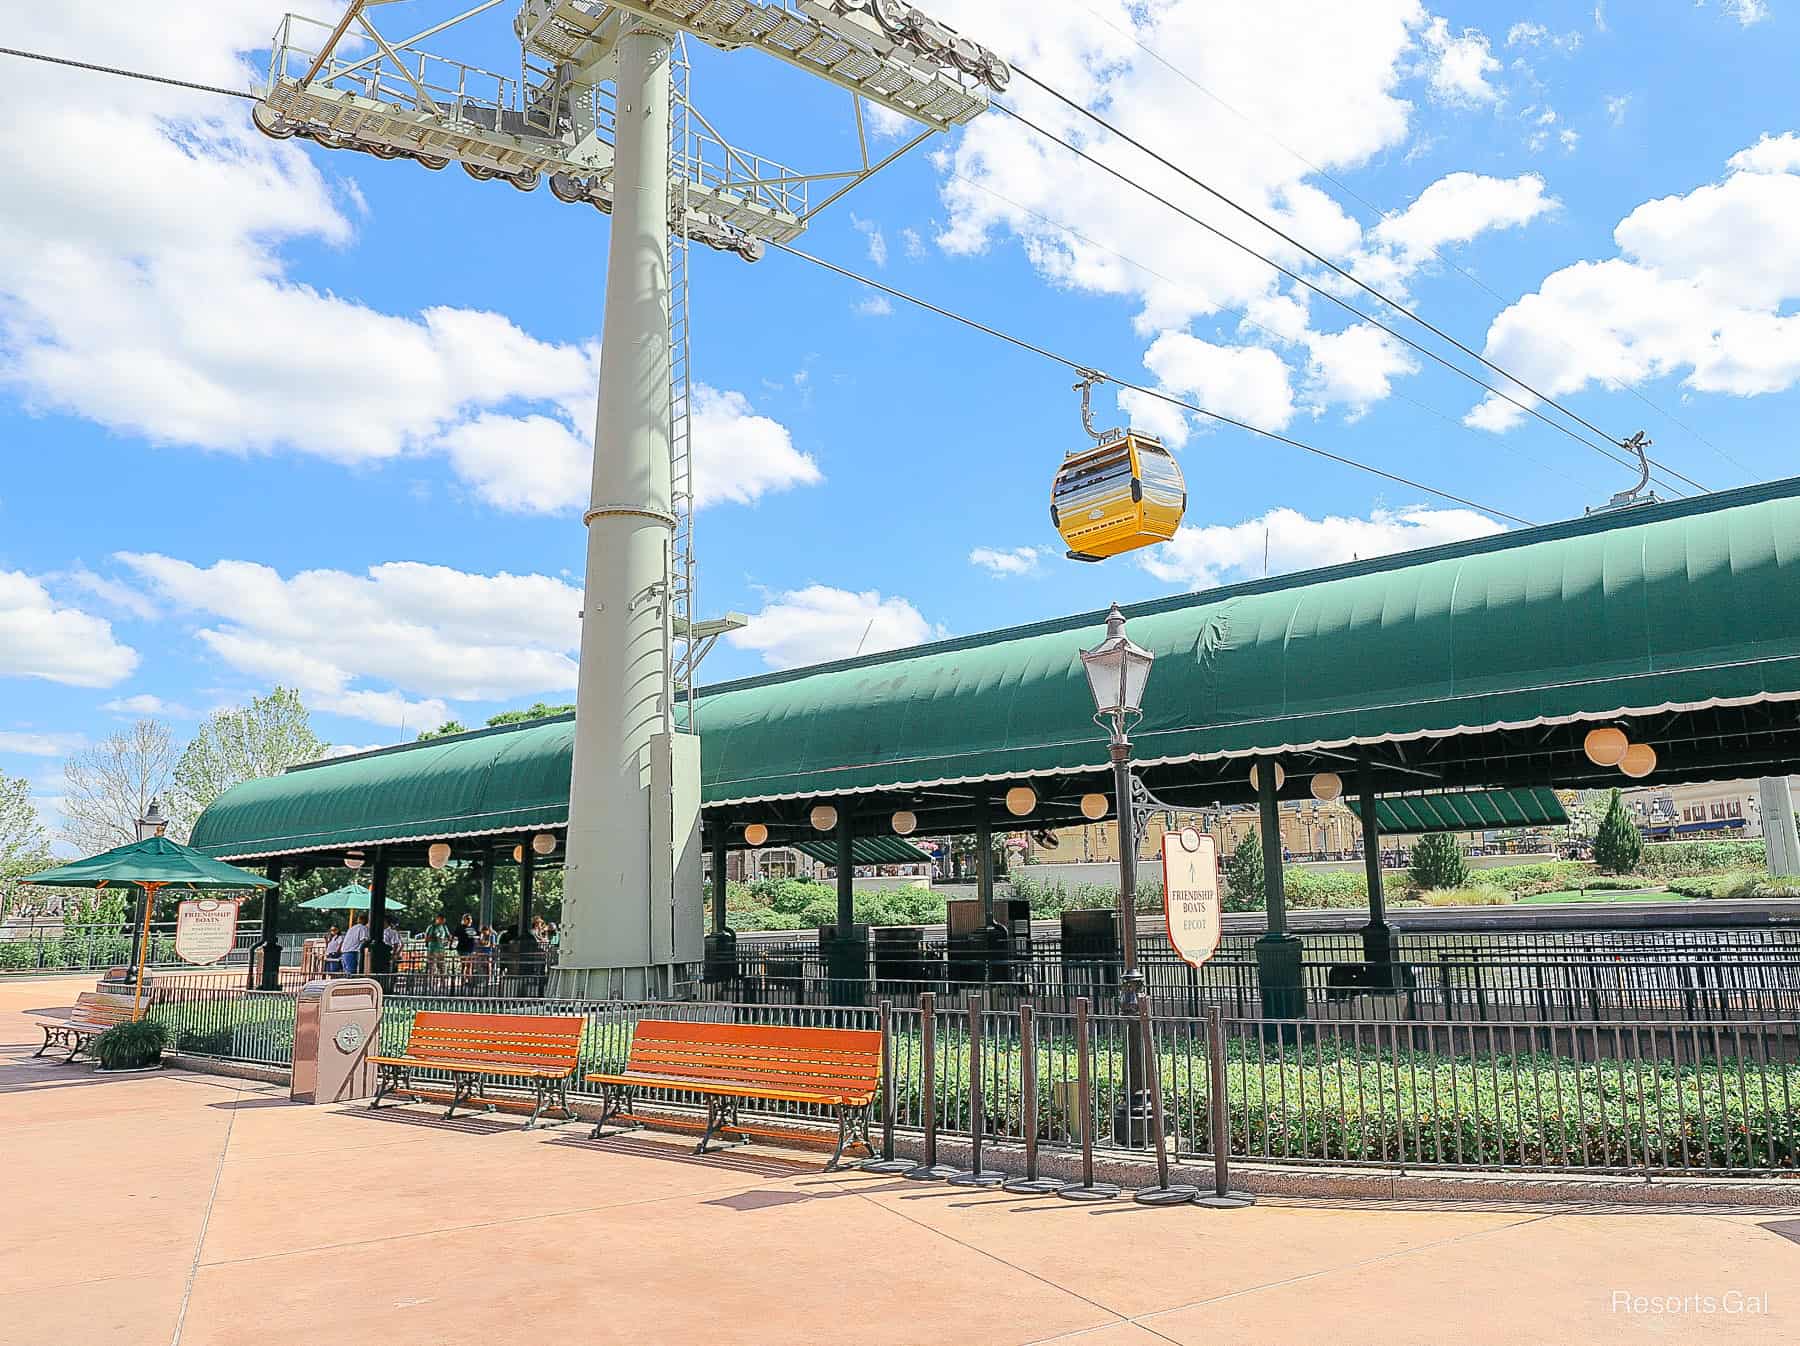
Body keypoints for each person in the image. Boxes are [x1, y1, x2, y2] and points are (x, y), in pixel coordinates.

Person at [424, 913, 451, 981]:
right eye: (441, 919)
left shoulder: (444, 927)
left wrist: (448, 940)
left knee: (442, 966)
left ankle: (442, 982)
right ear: (438, 919)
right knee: (431, 967)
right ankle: (430, 981)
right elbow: (427, 938)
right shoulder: (432, 927)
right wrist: (435, 938)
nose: (443, 921)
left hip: (441, 949)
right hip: (432, 949)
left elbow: (449, 936)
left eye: (443, 920)